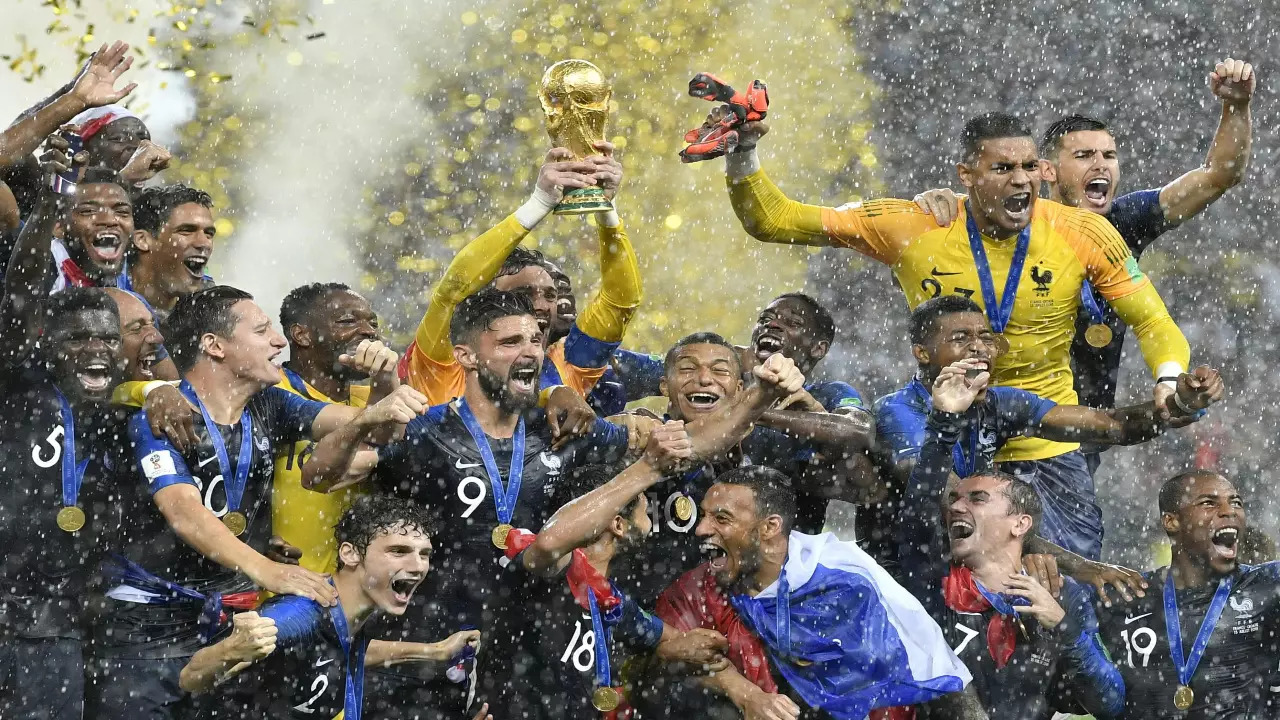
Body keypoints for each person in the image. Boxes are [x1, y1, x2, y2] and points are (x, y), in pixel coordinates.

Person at [708, 103, 1191, 558]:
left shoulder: (1082, 232)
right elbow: (772, 220)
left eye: (1027, 167)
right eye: (1002, 169)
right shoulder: (916, 225)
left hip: (1043, 440)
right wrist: (745, 151)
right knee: (931, 589)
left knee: (1063, 597)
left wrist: (1168, 380)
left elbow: (1153, 321)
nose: (1020, 180)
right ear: (967, 176)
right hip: (944, 435)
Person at [303, 288, 803, 720]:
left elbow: (691, 445)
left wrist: (759, 396)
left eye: (535, 341)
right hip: (426, 649)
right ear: (467, 356)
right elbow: (319, 476)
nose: (530, 353)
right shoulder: (427, 432)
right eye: (509, 342)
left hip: (527, 654)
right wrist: (364, 420)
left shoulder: (565, 432)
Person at [85, 285, 421, 719]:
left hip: (230, 622)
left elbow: (372, 427)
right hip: (147, 632)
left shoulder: (269, 403)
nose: (279, 341)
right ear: (214, 345)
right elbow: (185, 514)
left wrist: (383, 383)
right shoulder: (162, 415)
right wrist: (269, 570)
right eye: (262, 330)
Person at [915, 59, 1256, 418]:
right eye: (1084, 156)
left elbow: (1220, 175)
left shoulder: (1124, 221)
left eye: (1109, 155)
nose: (1101, 165)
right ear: (1047, 170)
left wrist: (1236, 105)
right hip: (992, 410)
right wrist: (930, 207)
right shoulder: (1009, 225)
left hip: (1085, 419)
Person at [873, 295, 1222, 567]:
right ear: (922, 352)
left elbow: (1110, 426)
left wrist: (1179, 404)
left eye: (985, 337)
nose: (978, 347)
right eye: (961, 338)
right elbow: (952, 505)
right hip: (900, 562)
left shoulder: (997, 403)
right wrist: (1079, 567)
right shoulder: (898, 411)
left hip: (958, 553)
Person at [897, 359, 1127, 718]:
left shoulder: (1062, 597)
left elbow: (1110, 705)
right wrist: (944, 423)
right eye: (955, 498)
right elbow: (919, 506)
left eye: (977, 498)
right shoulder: (932, 579)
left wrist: (1063, 627)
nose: (957, 506)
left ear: (1019, 524)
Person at [654, 466, 973, 719]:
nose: (701, 529)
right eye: (704, 515)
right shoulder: (695, 588)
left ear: (769, 527)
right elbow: (656, 657)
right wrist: (743, 693)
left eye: (721, 518)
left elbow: (916, 670)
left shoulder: (844, 584)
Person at [477, 427, 733, 719]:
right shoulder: (545, 574)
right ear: (618, 525)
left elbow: (680, 643)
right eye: (642, 503)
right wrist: (646, 468)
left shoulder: (612, 604)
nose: (648, 508)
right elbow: (550, 543)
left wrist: (745, 693)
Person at [180, 495, 480, 719]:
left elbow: (340, 650)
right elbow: (190, 677)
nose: (417, 566)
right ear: (349, 554)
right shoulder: (297, 616)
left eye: (424, 554)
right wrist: (229, 650)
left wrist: (435, 651)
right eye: (399, 551)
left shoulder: (358, 612)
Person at [397, 144, 640, 407]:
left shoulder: (565, 365)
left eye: (550, 295)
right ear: (483, 304)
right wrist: (540, 202)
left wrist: (607, 210)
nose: (540, 306)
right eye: (522, 295)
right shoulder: (450, 361)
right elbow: (454, 290)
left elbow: (621, 301)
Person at [0, 286, 128, 720]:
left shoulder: (122, 418)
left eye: (109, 339)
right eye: (77, 338)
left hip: (62, 630)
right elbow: (23, 287)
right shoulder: (15, 390)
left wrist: (155, 393)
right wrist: (45, 215)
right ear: (47, 346)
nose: (97, 349)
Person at [1093, 470, 1280, 717]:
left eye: (1236, 503)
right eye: (1209, 503)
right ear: (1171, 521)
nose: (1229, 511)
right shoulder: (1127, 595)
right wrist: (1076, 565)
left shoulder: (1266, 585)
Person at [271, 282, 396, 574]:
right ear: (301, 335)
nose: (368, 332)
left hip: (361, 591)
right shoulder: (270, 390)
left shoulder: (374, 396)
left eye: (372, 323)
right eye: (348, 321)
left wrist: (384, 378)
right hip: (284, 585)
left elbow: (388, 435)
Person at [122, 183, 218, 319]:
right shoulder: (106, 293)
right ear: (142, 240)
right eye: (186, 231)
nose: (204, 243)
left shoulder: (210, 305)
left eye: (209, 233)